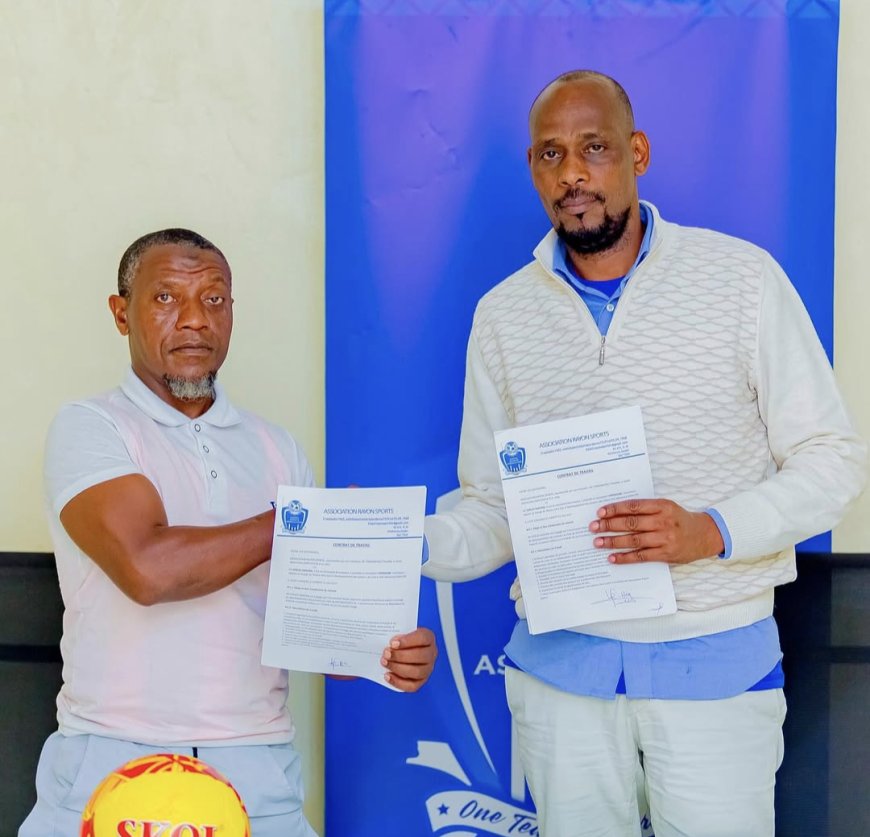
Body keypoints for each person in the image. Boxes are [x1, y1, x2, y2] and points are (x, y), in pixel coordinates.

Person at [421, 70, 866, 837]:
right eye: (552, 154)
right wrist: (396, 541)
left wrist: (710, 530)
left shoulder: (741, 279)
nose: (572, 173)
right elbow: (492, 507)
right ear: (533, 168)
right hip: (561, 682)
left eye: (593, 148)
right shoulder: (503, 315)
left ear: (637, 153)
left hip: (716, 670)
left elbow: (834, 460)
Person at [21, 228, 438, 837]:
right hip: (113, 757)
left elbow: (321, 634)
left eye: (214, 299)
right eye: (166, 298)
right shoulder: (90, 428)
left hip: (256, 766)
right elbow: (147, 568)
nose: (195, 319)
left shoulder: (277, 449)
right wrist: (294, 523)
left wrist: (382, 651)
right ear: (121, 313)